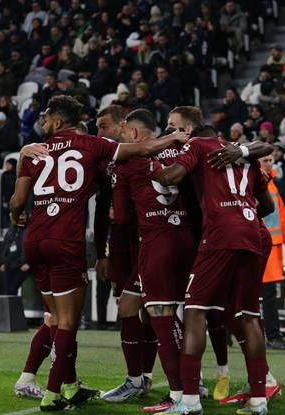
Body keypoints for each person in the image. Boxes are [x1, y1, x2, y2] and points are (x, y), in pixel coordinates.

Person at [11, 95, 190, 411]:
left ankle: (64, 383)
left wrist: (16, 216)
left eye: (45, 117)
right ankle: (55, 393)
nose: (42, 122)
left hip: (34, 238)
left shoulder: (32, 151)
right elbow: (144, 151)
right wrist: (175, 137)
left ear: (56, 121)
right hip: (68, 241)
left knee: (54, 317)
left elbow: (16, 201)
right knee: (67, 321)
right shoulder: (92, 146)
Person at [152, 135, 273, 415]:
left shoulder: (197, 146)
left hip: (220, 235)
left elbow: (171, 177)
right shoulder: (245, 155)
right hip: (251, 232)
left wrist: (152, 167)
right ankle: (259, 400)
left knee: (195, 311)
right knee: (250, 316)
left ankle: (190, 401)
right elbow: (266, 206)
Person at [109, 109, 195, 407]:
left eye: (122, 131)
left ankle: (180, 393)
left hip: (156, 241)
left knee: (161, 314)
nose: (119, 136)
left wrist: (121, 209)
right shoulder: (177, 149)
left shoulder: (127, 161)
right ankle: (142, 380)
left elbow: (119, 218)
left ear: (133, 133)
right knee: (130, 305)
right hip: (187, 238)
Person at [93, 105, 157, 403]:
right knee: (140, 307)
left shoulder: (147, 155)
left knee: (152, 309)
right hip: (121, 245)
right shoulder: (107, 162)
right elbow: (102, 209)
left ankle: (145, 376)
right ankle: (143, 378)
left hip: (147, 240)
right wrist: (100, 252)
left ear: (123, 126)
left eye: (104, 127)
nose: (100, 134)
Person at [259, 154, 285, 351]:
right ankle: (273, 337)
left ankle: (228, 331)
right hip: (262, 247)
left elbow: (281, 215)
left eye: (271, 160)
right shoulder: (260, 183)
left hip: (269, 247)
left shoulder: (271, 184)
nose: (269, 163)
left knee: (265, 294)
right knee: (268, 295)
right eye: (265, 160)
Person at [0, 224, 30, 296]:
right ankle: (12, 307)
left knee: (13, 288)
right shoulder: (11, 230)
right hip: (10, 264)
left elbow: (34, 247)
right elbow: (5, 245)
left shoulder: (29, 229)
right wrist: (4, 262)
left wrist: (29, 263)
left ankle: (15, 306)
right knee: (8, 289)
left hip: (23, 264)